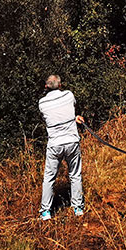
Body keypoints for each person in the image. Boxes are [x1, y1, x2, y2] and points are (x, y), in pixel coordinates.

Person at [38, 74, 85, 220]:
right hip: (71, 141)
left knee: (49, 178)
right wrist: (74, 118)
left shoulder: (42, 103)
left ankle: (46, 212)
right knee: (75, 175)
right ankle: (77, 208)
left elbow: (50, 118)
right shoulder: (69, 95)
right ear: (60, 85)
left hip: (55, 144)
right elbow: (69, 110)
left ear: (46, 86)